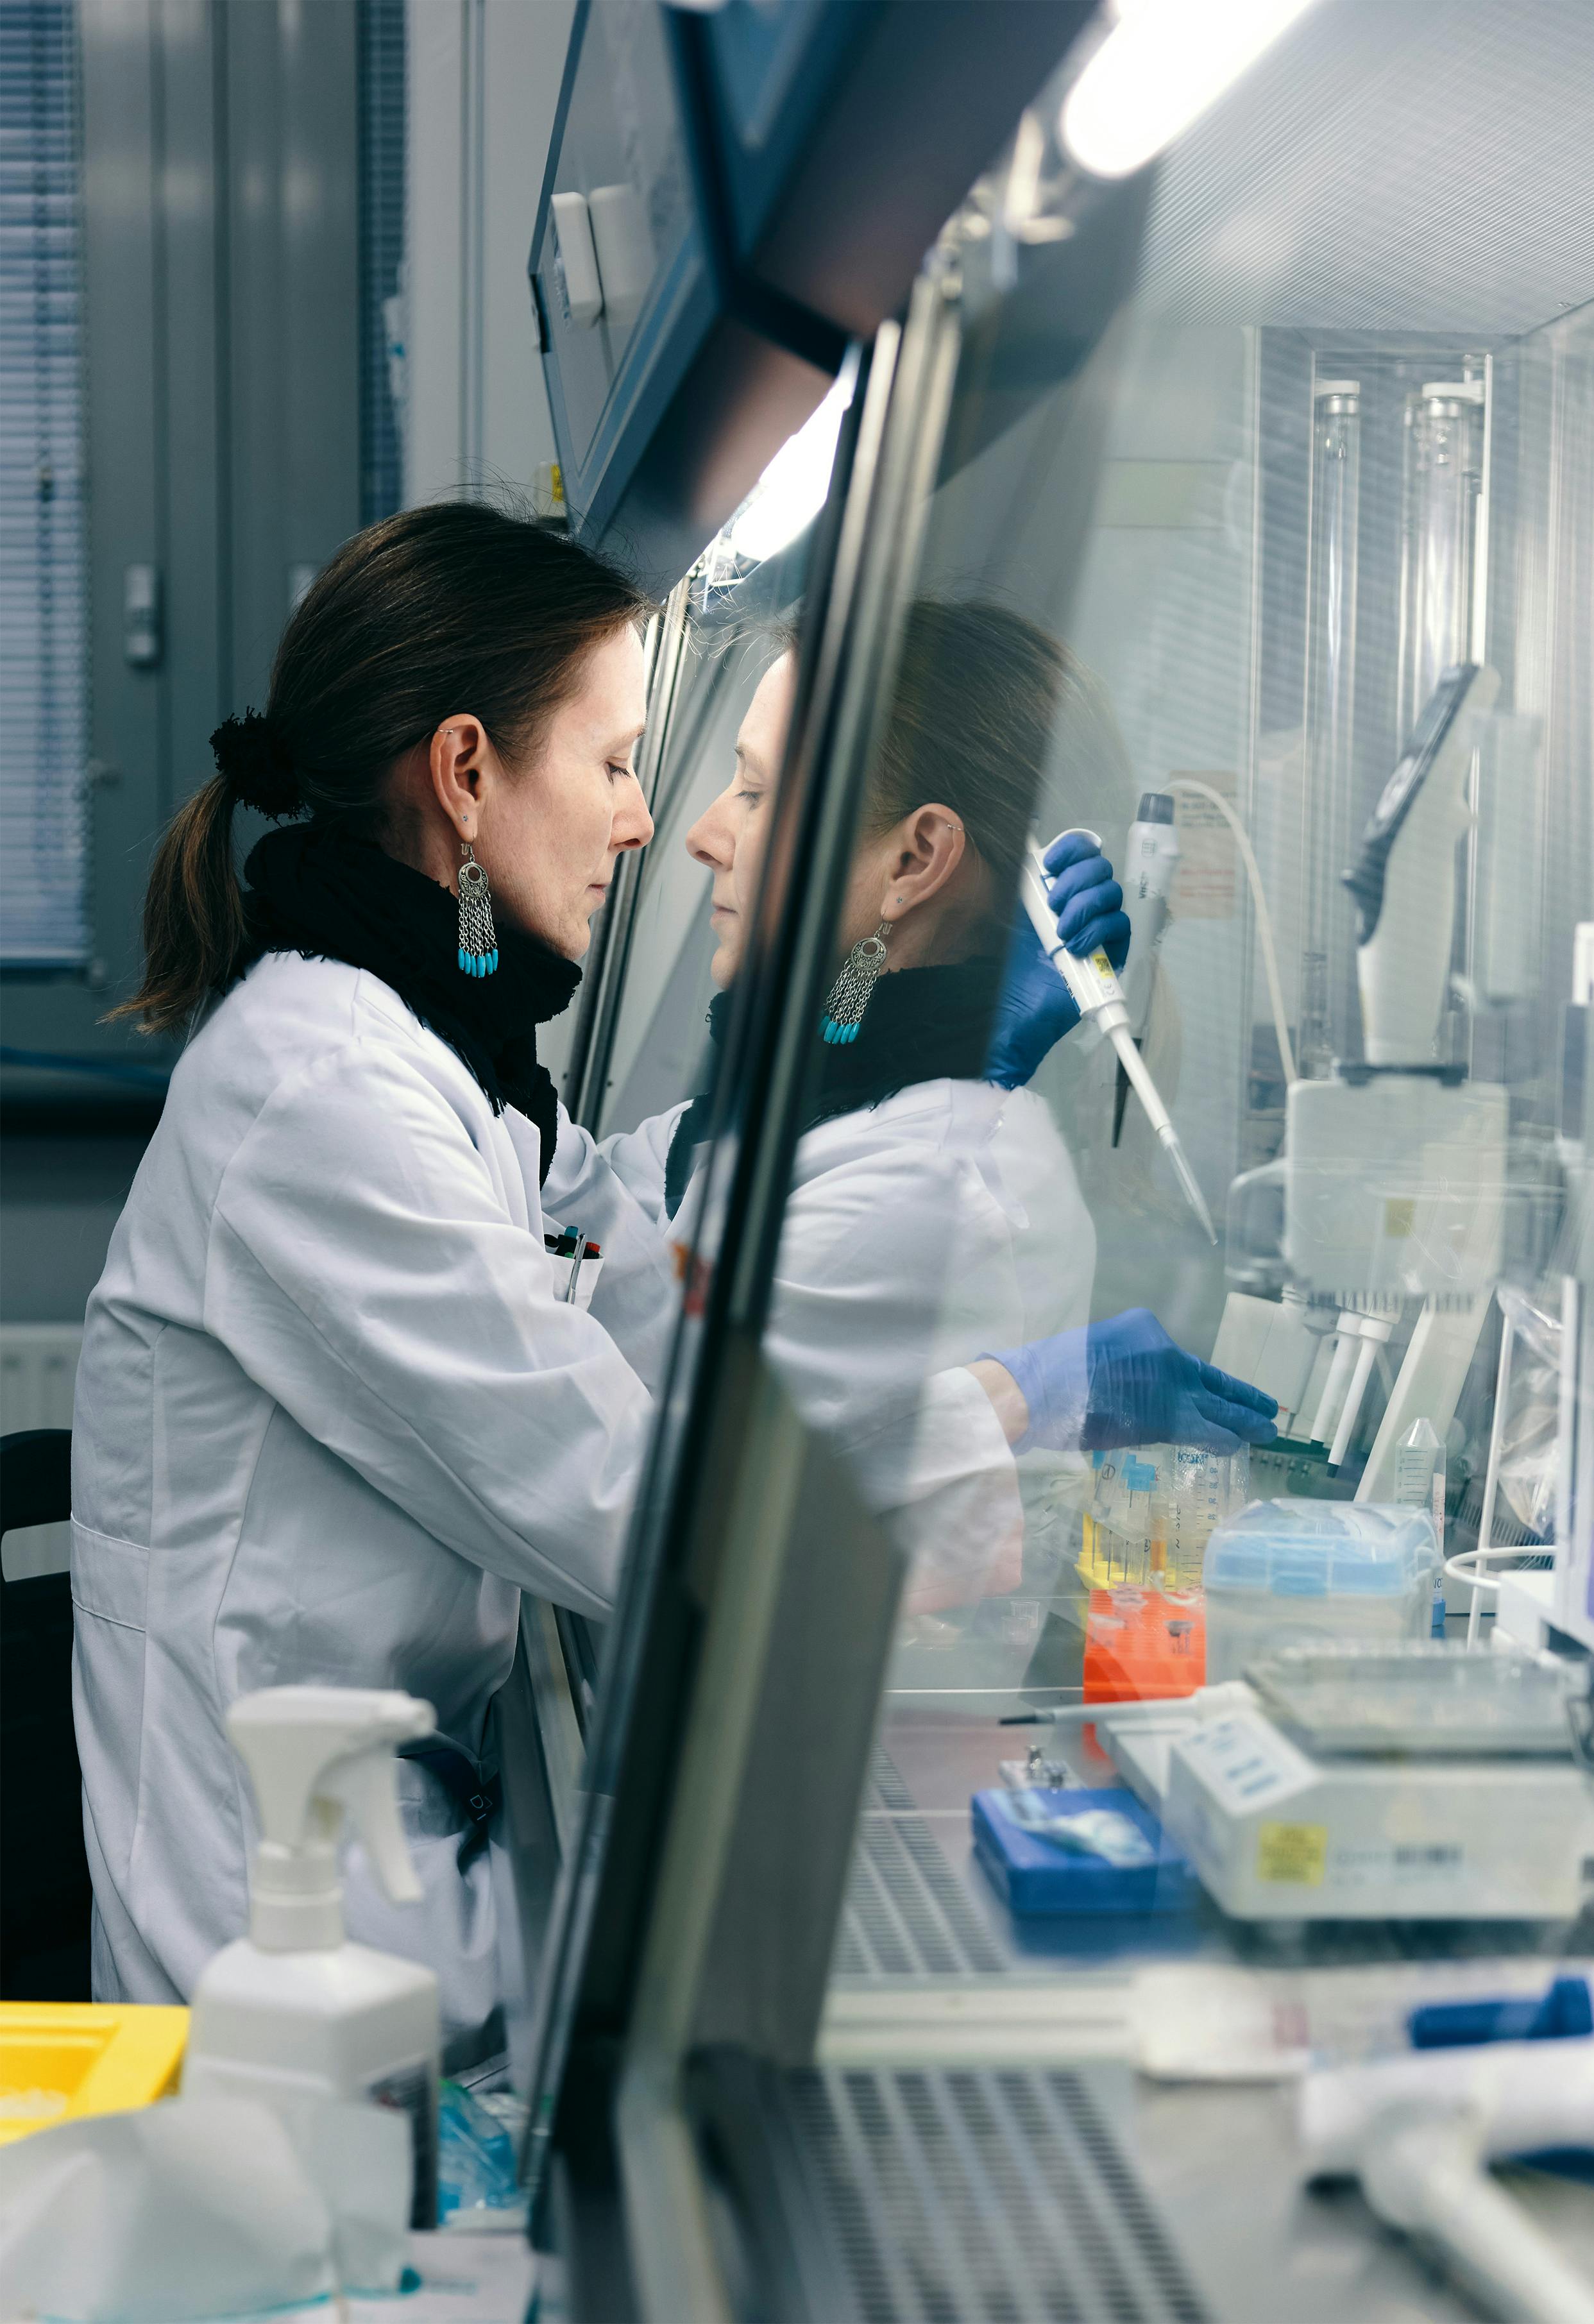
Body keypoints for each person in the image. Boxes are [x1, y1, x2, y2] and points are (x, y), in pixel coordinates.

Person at [73, 504, 684, 2073]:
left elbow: (630, 1289)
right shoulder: (319, 1092)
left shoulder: (460, 1064)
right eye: (613, 763)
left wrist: (868, 1025)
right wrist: (989, 1433)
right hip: (272, 1984)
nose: (643, 823)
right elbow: (627, 1503)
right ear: (467, 772)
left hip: (395, 1891)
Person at [546, 603, 1276, 1618]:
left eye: (756, 793)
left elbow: (631, 1468)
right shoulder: (826, 1109)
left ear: (913, 861)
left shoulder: (931, 1188)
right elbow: (606, 1221)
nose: (705, 835)